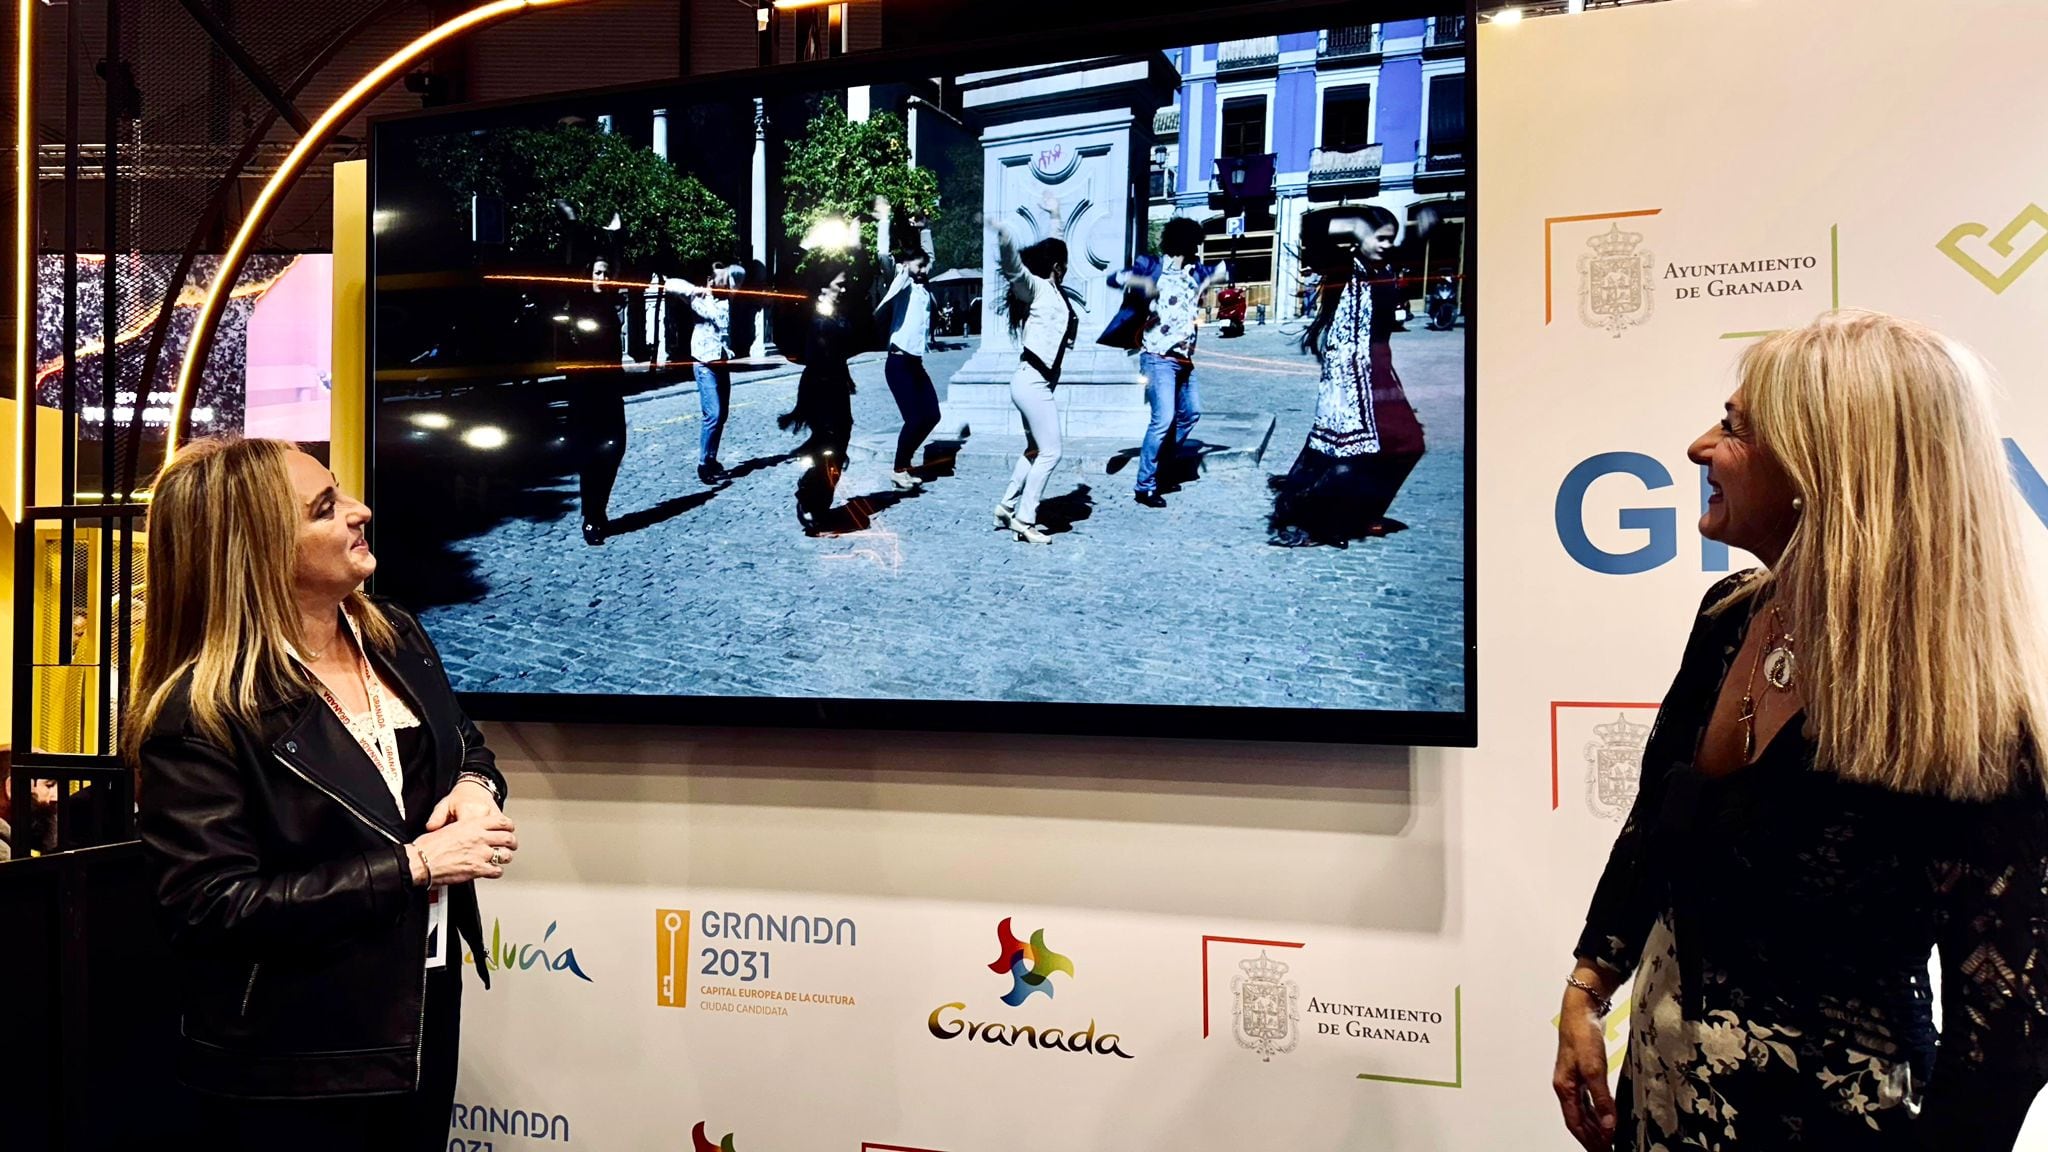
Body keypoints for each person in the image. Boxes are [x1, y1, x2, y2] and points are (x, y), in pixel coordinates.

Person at [1552, 312, 2048, 1152]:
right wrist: (1588, 987)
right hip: (1662, 1104)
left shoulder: (1976, 726)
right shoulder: (1728, 617)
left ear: (1827, 468)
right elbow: (1654, 821)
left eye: (1735, 429)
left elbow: (2005, 1042)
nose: (1698, 445)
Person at [131, 437, 517, 1152]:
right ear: (257, 546)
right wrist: (415, 866)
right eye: (324, 509)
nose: (360, 512)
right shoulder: (201, 711)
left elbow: (464, 742)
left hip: (419, 1012)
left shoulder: (392, 634)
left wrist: (473, 786)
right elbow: (211, 906)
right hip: (290, 1058)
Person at [1268, 205, 1427, 547]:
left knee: (1404, 443)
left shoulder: (1384, 266)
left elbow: (1407, 247)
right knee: (1342, 452)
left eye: (1391, 239)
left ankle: (1357, 514)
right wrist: (1355, 226)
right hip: (1350, 375)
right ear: (1357, 238)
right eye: (1380, 238)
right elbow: (1311, 226)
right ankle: (1318, 521)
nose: (1386, 245)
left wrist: (1422, 228)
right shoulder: (1344, 266)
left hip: (1379, 369)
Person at [1106, 217, 1229, 509]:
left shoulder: (1195, 272)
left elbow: (1227, 269)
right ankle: (1145, 486)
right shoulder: (1152, 266)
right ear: (1184, 243)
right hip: (1158, 357)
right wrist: (1144, 283)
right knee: (1162, 420)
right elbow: (1114, 278)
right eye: (1195, 244)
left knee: (1190, 414)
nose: (1198, 250)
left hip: (1184, 357)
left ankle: (1161, 469)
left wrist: (1210, 279)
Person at [990, 197, 1078, 545]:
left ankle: (1006, 505)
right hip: (1032, 381)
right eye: (1064, 264)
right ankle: (1025, 520)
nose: (1067, 268)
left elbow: (1057, 246)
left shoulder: (1055, 290)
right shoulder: (1038, 288)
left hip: (1035, 381)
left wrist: (1055, 215)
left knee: (1034, 450)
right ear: (1057, 266)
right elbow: (1014, 269)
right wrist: (1004, 237)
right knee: (1052, 452)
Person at [777, 255, 862, 535]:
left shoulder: (837, 313)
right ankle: (809, 496)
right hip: (819, 387)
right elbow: (816, 356)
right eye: (841, 283)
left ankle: (820, 504)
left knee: (841, 442)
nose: (845, 288)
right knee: (829, 445)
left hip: (837, 385)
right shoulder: (816, 318)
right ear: (826, 286)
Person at [665, 260, 744, 485]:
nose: (726, 282)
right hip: (703, 363)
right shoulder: (697, 298)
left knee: (723, 415)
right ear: (710, 280)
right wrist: (693, 289)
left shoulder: (728, 297)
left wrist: (727, 271)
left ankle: (712, 459)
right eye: (720, 278)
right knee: (714, 414)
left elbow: (740, 273)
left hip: (722, 362)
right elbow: (670, 284)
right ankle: (702, 463)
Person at [566, 257, 627, 545]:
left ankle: (597, 509)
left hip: (611, 390)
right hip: (585, 392)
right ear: (588, 275)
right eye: (597, 272)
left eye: (605, 272)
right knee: (591, 456)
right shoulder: (580, 304)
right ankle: (591, 518)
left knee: (615, 449)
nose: (602, 277)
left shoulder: (613, 305)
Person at [875, 245, 940, 490]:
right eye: (918, 266)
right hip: (898, 362)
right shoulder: (902, 284)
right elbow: (884, 259)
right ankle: (899, 469)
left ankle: (904, 463)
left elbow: (930, 259)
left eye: (925, 266)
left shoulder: (925, 288)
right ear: (906, 265)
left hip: (915, 363)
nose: (923, 270)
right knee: (913, 418)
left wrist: (925, 229)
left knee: (932, 414)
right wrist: (883, 222)